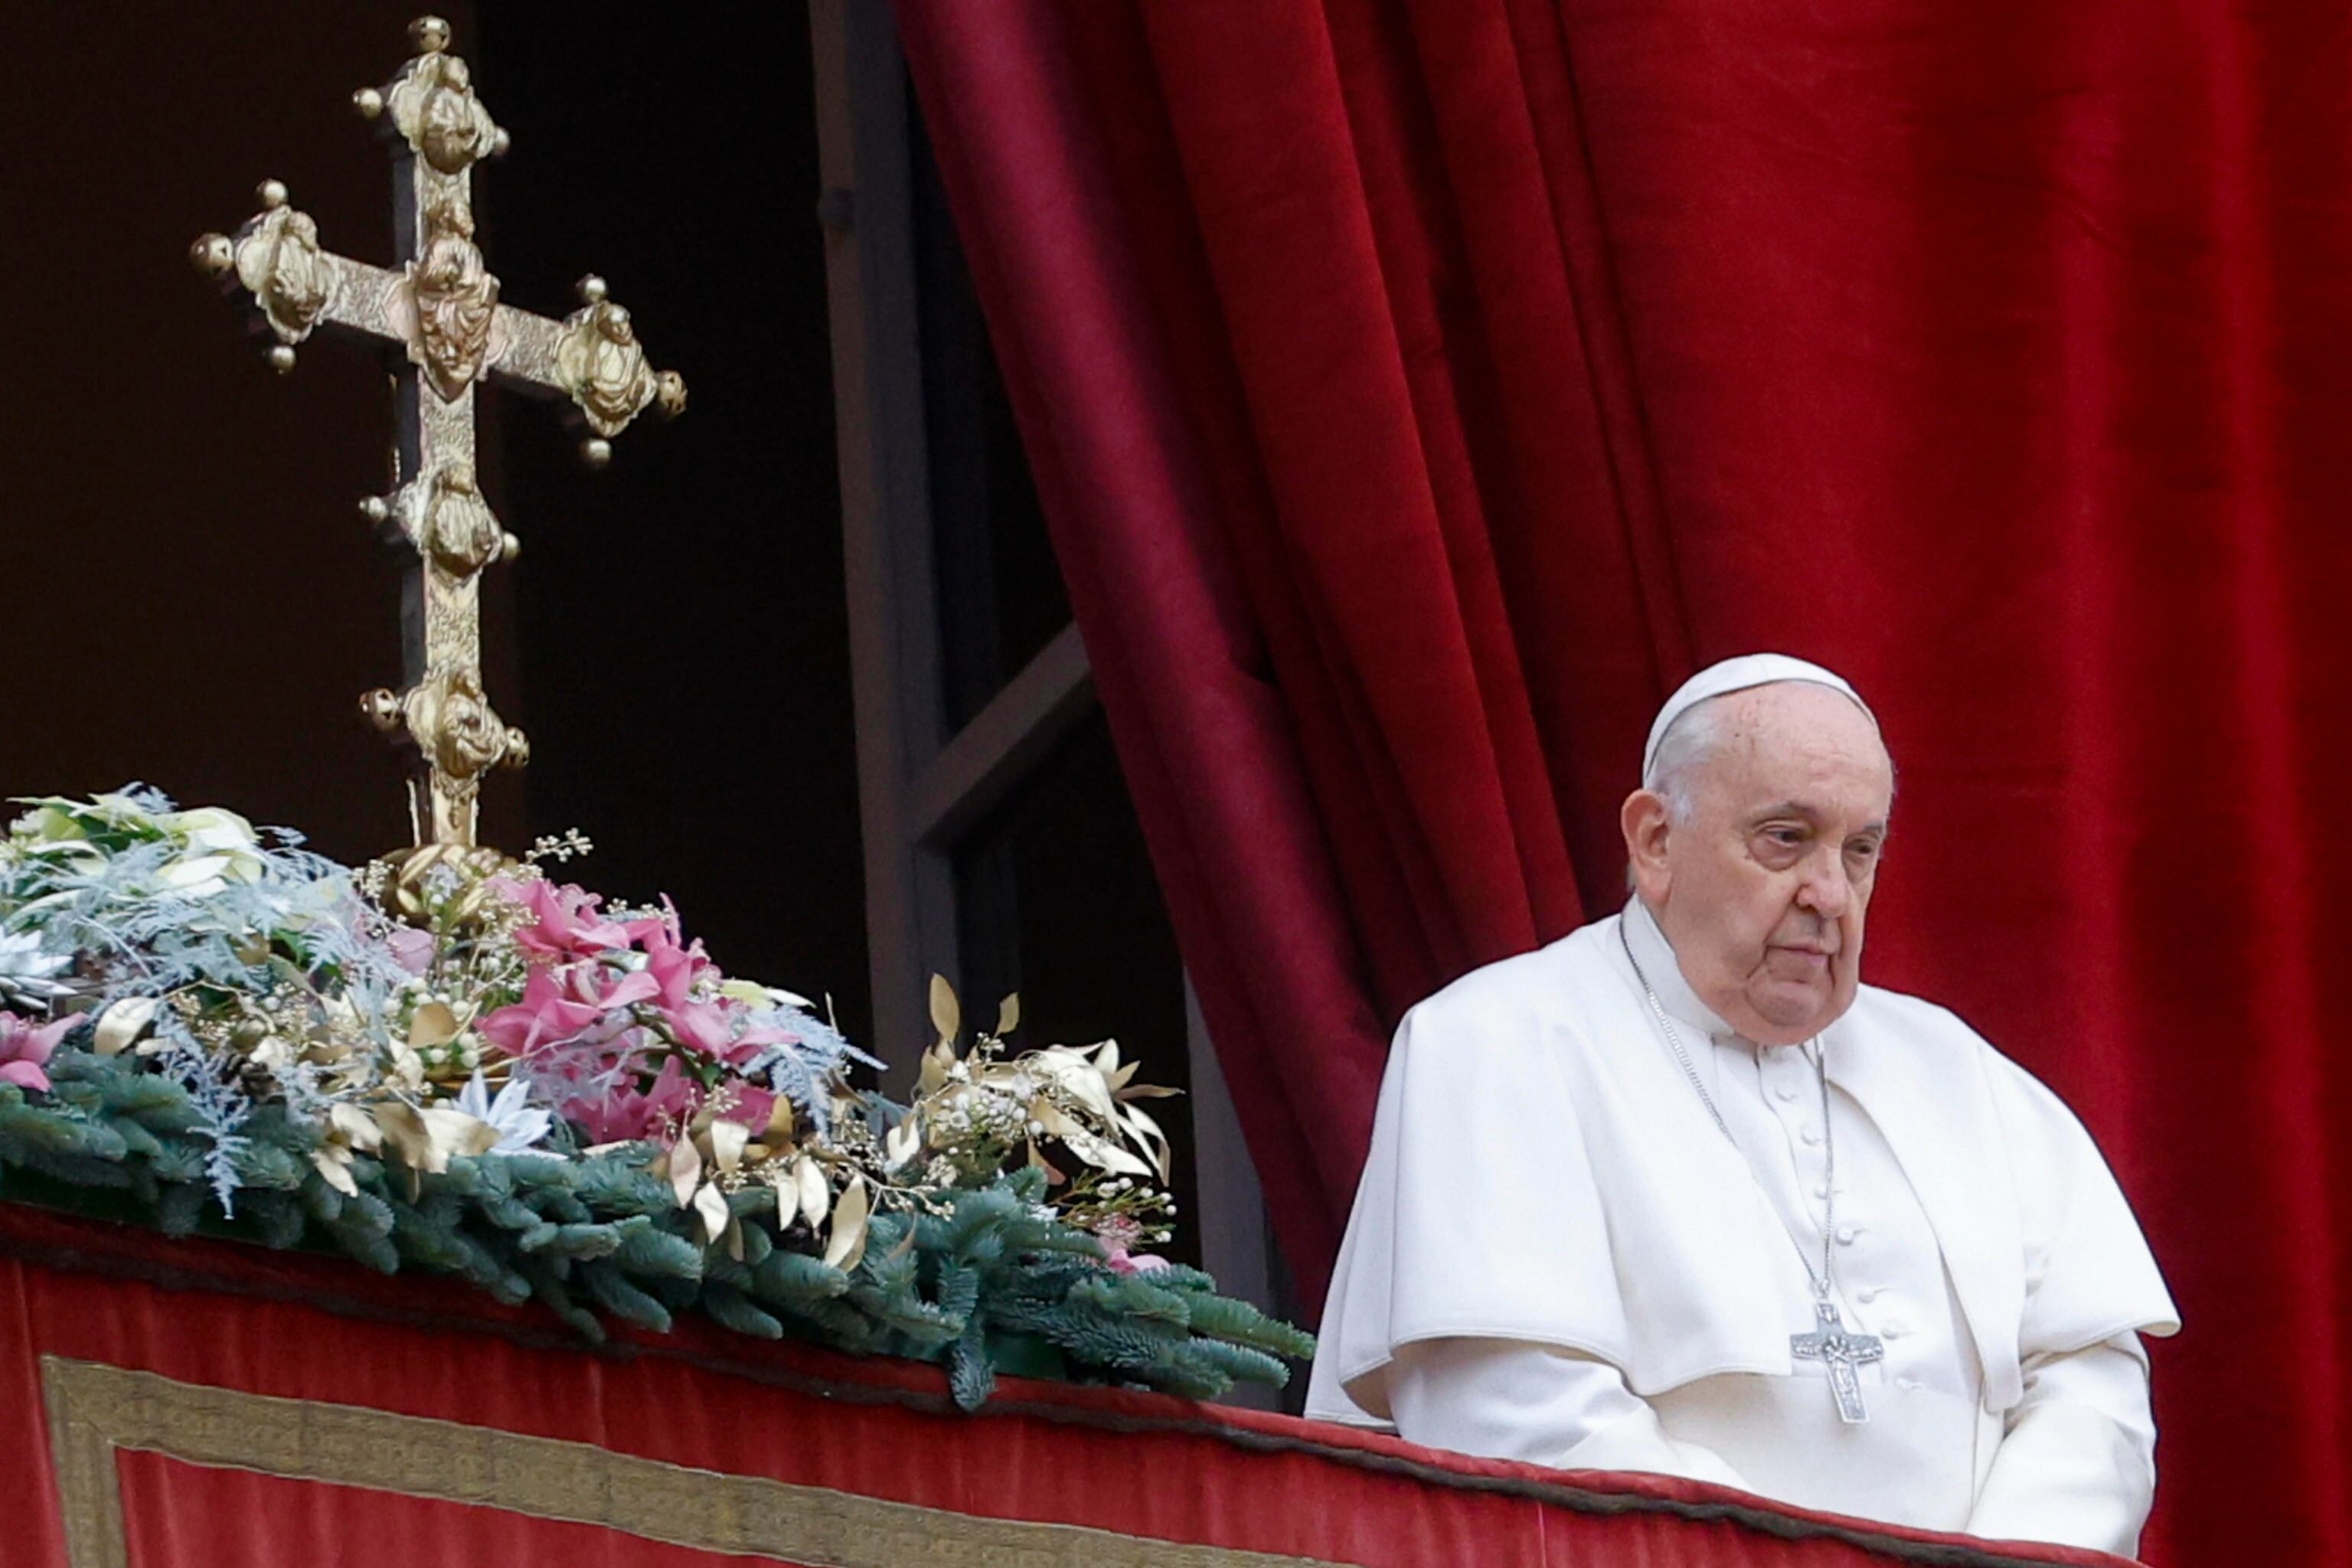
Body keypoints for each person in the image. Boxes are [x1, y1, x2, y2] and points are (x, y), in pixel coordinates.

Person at [1305, 654, 2178, 1557]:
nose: (1830, 894)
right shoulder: (1494, 1042)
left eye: (1860, 849)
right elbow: (1517, 1412)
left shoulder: (1959, 1070)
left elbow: (2092, 1386)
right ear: (1654, 840)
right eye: (1785, 837)